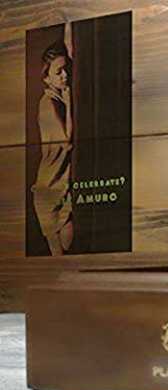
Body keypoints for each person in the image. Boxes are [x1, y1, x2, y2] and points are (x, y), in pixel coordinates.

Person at [31, 36, 73, 255]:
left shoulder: (57, 98)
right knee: (60, 256)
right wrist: (69, 102)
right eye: (59, 72)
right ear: (46, 78)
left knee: (67, 251)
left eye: (66, 69)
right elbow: (66, 141)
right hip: (49, 189)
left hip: (61, 183)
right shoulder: (48, 103)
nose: (65, 75)